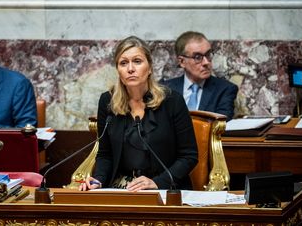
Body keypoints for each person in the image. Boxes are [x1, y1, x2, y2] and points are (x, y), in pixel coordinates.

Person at [80, 36, 198, 192]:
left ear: (149, 68)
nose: (130, 69)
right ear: (118, 70)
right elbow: (105, 154)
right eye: (123, 63)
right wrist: (99, 180)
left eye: (137, 61)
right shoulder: (107, 101)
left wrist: (158, 182)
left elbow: (189, 156)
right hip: (121, 188)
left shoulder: (172, 101)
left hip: (164, 188)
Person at [162, 31, 238, 121]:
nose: (206, 62)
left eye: (208, 54)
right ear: (182, 62)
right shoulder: (165, 89)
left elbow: (220, 126)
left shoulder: (225, 90)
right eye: (197, 57)